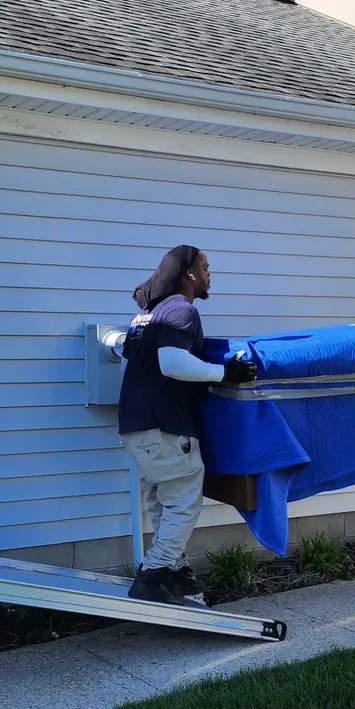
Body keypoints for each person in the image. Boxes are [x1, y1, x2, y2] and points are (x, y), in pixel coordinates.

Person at [118, 245, 256, 604]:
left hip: (136, 423)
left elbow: (132, 363)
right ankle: (154, 573)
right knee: (183, 502)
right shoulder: (180, 310)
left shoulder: (146, 315)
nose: (210, 274)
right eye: (206, 267)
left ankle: (175, 574)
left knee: (164, 502)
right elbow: (173, 363)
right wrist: (227, 373)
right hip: (165, 422)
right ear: (190, 273)